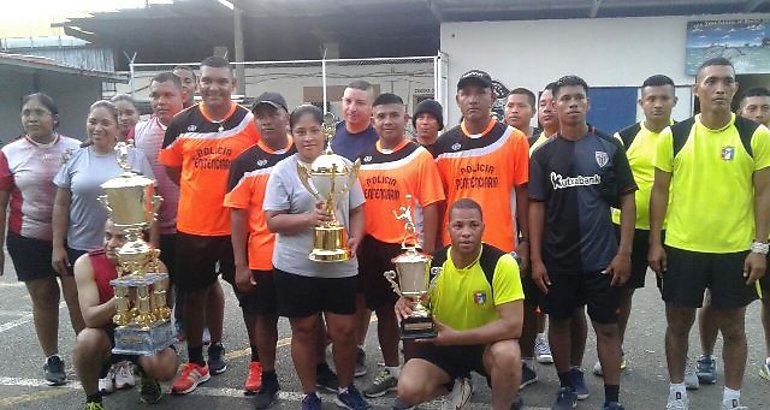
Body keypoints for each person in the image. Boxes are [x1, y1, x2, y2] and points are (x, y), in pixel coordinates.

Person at [648, 57, 770, 410]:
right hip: (683, 248)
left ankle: (732, 399)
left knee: (734, 327)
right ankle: (676, 394)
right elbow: (659, 192)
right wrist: (655, 242)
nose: (720, 87)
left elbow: (764, 194)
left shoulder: (756, 135)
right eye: (712, 81)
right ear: (697, 88)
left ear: (735, 88)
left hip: (735, 250)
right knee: (678, 324)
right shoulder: (674, 135)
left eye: (727, 81)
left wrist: (759, 248)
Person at [529, 75, 637, 410]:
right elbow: (536, 207)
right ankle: (566, 385)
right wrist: (536, 258)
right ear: (554, 105)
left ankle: (612, 399)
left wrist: (624, 253)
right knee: (559, 323)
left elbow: (628, 200)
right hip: (558, 259)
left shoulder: (609, 147)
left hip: (602, 259)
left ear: (588, 104)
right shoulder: (543, 155)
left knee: (606, 327)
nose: (572, 104)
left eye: (578, 98)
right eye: (565, 99)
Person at [159, 55, 260, 394]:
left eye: (221, 81)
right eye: (207, 81)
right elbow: (174, 170)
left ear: (233, 84)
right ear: (197, 84)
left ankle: (259, 362)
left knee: (250, 298)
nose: (214, 87)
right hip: (193, 228)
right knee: (193, 298)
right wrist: (200, 192)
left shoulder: (250, 123)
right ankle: (196, 363)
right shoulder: (180, 123)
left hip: (240, 229)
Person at [431, 69, 530, 407]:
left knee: (503, 325)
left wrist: (525, 241)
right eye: (466, 92)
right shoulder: (443, 145)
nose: (473, 98)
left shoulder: (513, 139)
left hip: (500, 250)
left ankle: (505, 381)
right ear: (458, 99)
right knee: (454, 313)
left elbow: (524, 194)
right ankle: (456, 376)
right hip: (454, 251)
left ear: (492, 97)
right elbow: (439, 200)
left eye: (480, 92)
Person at [264, 104, 371, 410]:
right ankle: (309, 393)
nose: (308, 137)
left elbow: (357, 210)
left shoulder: (345, 166)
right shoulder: (284, 171)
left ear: (325, 133)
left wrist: (356, 237)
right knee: (304, 329)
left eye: (314, 130)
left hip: (340, 263)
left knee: (344, 330)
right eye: (300, 132)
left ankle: (346, 387)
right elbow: (272, 221)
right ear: (291, 134)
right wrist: (308, 219)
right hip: (296, 266)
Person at [593, 75, 686, 381]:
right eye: (651, 99)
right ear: (641, 103)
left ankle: (681, 367)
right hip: (627, 230)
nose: (658, 104)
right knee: (622, 293)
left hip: (673, 231)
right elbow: (612, 188)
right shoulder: (625, 138)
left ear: (675, 101)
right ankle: (614, 351)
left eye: (664, 98)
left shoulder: (684, 136)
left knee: (678, 301)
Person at [393, 198, 524, 410]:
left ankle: (502, 405)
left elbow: (513, 325)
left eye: (473, 225)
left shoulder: (502, 263)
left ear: (483, 228)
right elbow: (417, 304)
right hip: (442, 346)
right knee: (408, 390)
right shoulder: (430, 263)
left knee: (508, 354)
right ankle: (456, 388)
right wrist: (405, 303)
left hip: (484, 346)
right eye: (458, 225)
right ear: (448, 229)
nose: (466, 232)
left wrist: (456, 336)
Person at [356, 93, 445, 398]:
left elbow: (432, 204)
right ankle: (392, 370)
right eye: (381, 116)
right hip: (372, 246)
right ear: (373, 120)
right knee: (383, 313)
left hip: (409, 249)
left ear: (405, 119)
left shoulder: (419, 156)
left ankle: (416, 369)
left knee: (414, 316)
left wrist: (428, 252)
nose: (387, 121)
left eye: (394, 115)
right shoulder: (364, 160)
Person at [0, 93, 83, 385]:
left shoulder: (76, 148)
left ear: (54, 118)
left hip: (73, 238)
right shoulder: (9, 153)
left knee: (77, 299)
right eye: (26, 113)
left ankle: (87, 353)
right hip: (28, 238)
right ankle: (52, 357)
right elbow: (1, 203)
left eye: (38, 112)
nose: (31, 118)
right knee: (44, 297)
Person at [225, 91, 296, 407]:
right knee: (264, 321)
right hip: (263, 259)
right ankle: (269, 378)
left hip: (302, 259)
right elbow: (238, 218)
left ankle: (316, 372)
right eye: (260, 115)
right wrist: (240, 264)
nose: (266, 121)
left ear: (286, 116)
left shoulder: (308, 154)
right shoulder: (245, 162)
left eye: (273, 114)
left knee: (307, 322)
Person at [73, 220, 178, 410]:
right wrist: (124, 294)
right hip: (107, 334)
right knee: (86, 340)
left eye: (120, 238)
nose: (111, 243)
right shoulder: (86, 263)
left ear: (139, 240)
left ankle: (146, 373)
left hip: (143, 332)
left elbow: (161, 317)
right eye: (107, 235)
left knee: (165, 368)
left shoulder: (156, 265)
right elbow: (90, 318)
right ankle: (93, 399)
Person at [134, 72, 186, 339]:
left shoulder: (193, 127)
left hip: (189, 228)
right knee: (159, 288)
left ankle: (210, 343)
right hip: (153, 230)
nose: (161, 101)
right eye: (155, 95)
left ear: (182, 96)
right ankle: (162, 340)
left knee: (200, 288)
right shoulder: (139, 132)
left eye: (168, 95)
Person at [332, 80, 379, 377]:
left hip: (370, 230)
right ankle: (338, 339)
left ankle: (357, 346)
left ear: (371, 109)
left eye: (360, 103)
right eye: (348, 101)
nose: (352, 108)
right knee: (337, 291)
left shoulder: (378, 140)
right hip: (334, 229)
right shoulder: (331, 137)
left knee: (362, 296)